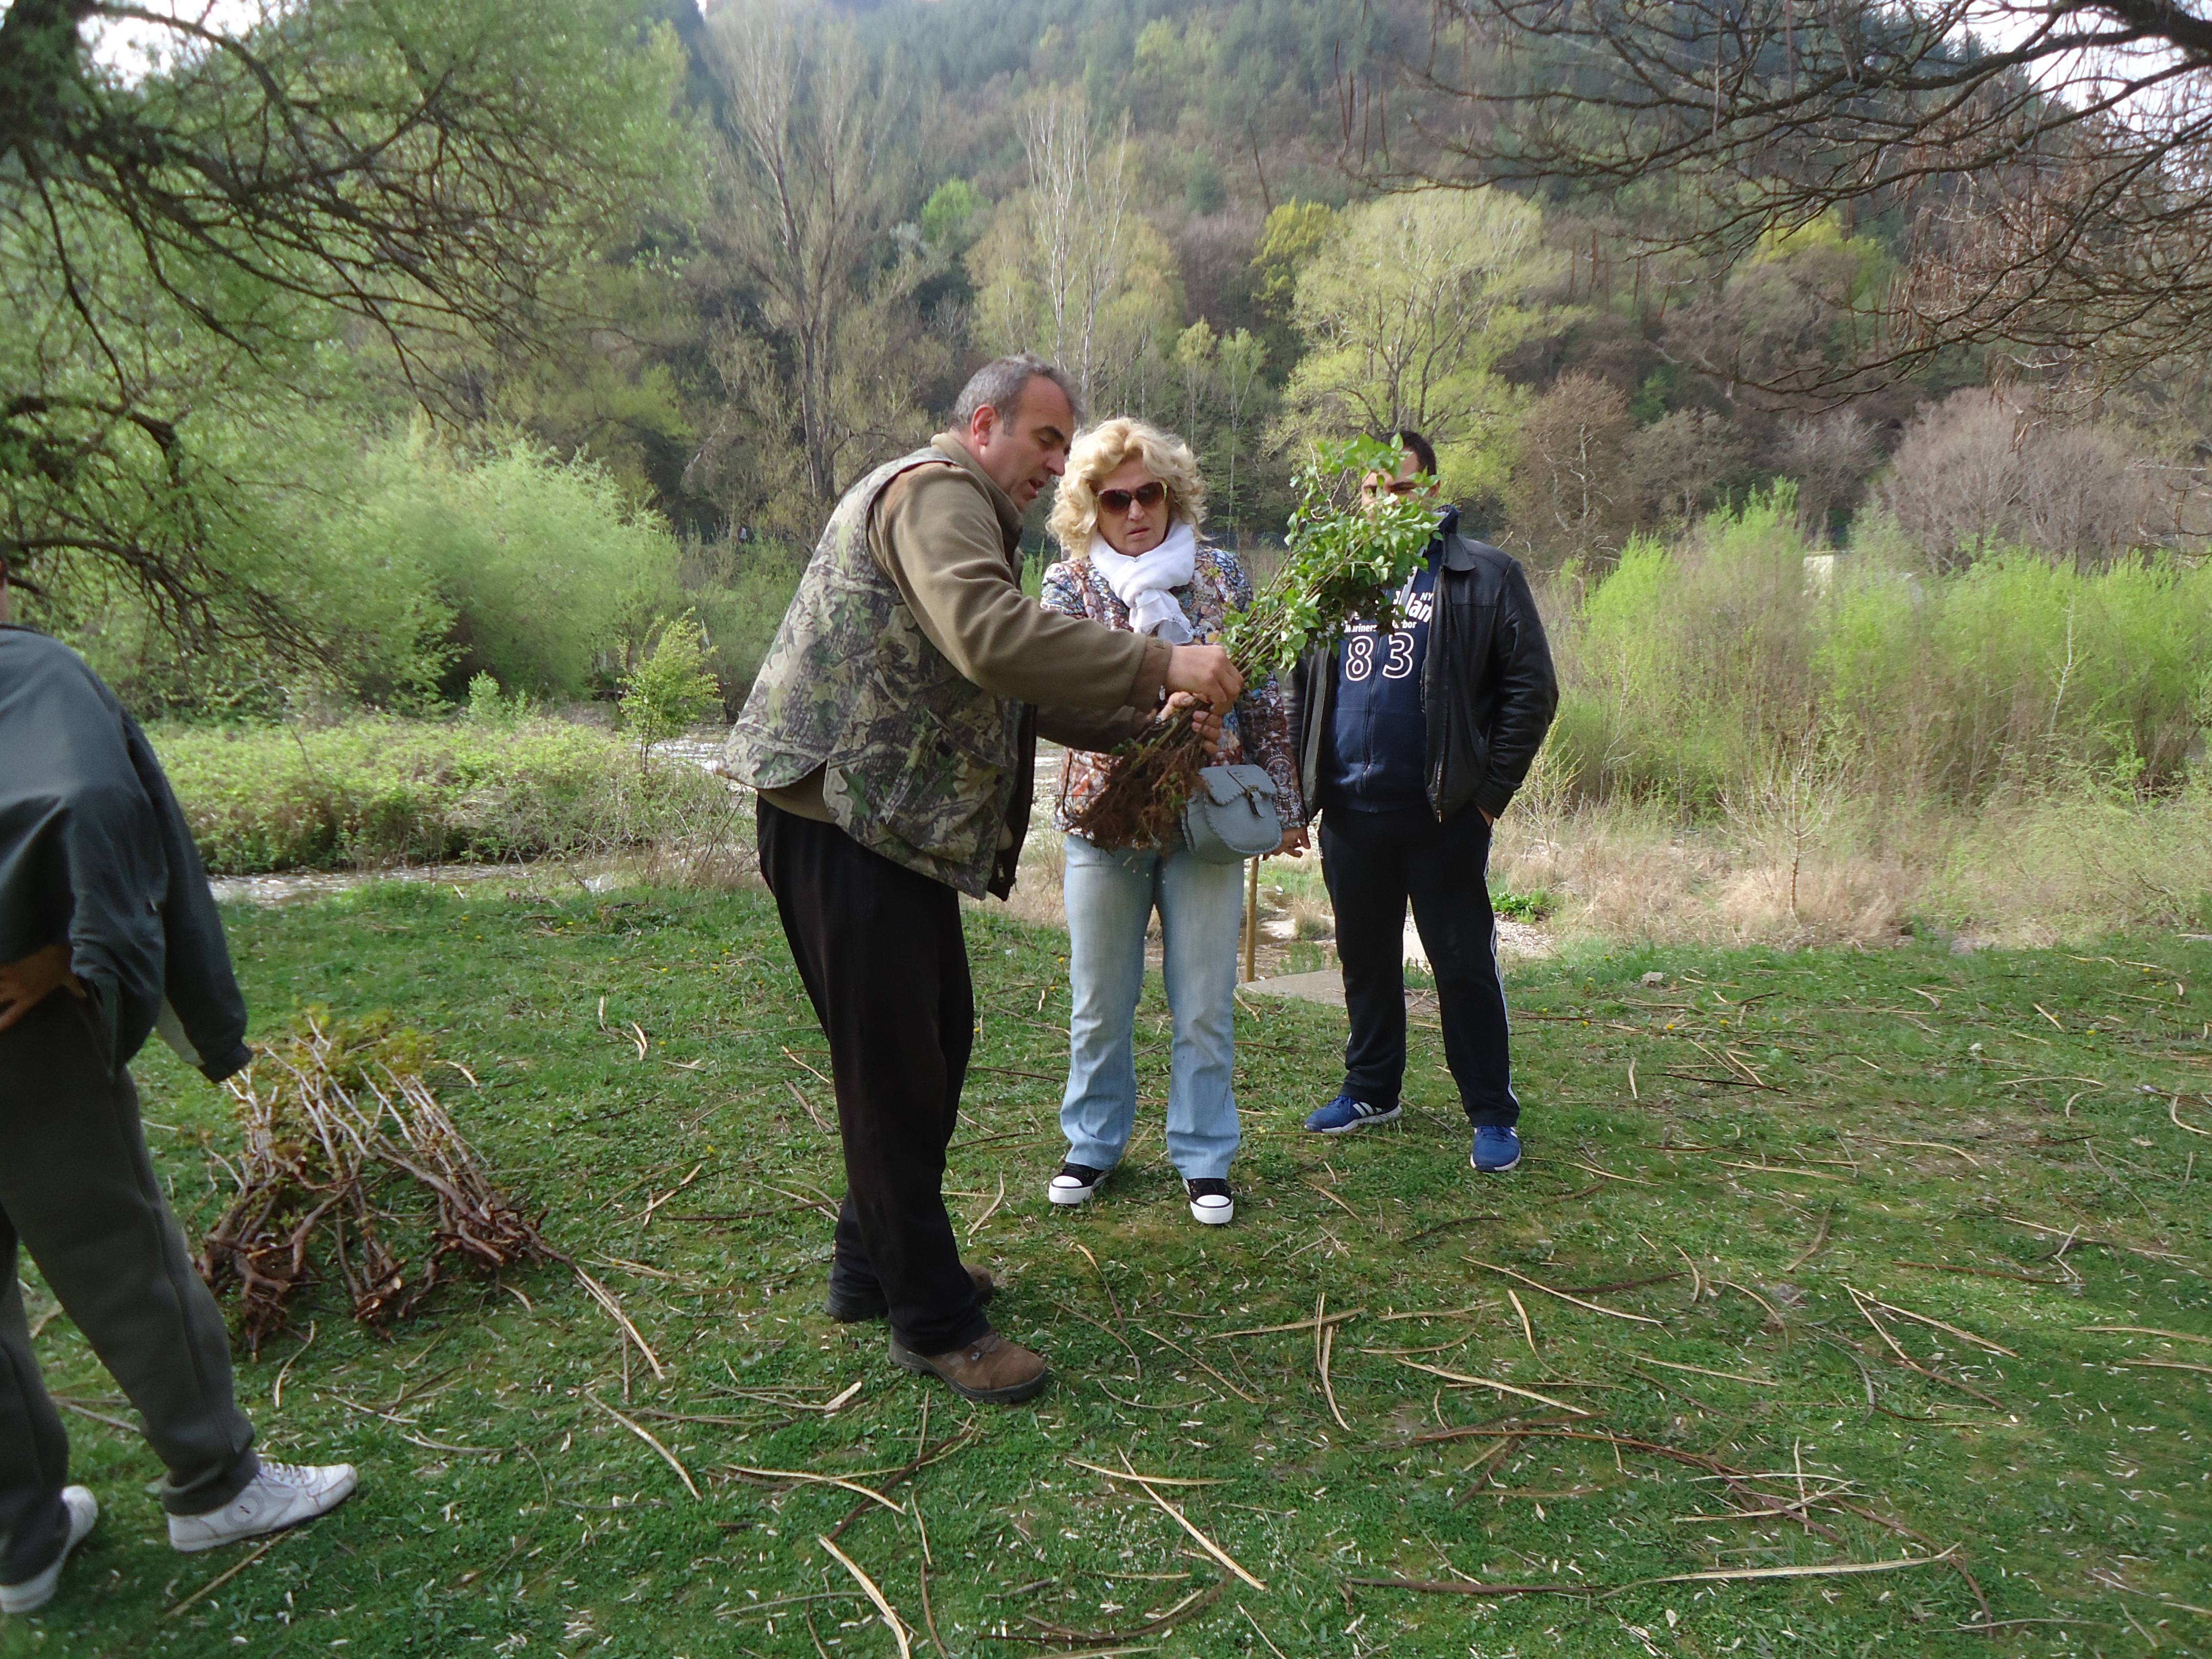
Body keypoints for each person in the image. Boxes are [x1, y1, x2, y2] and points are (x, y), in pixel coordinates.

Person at [721, 358, 1243, 1406]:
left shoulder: (958, 511)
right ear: (983, 422)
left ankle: (872, 1266)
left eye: (1066, 446)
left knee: (931, 1047)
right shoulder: (936, 492)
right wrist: (1160, 669)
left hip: (878, 829)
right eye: (1047, 441)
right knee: (894, 1072)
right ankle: (935, 1324)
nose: (1056, 464)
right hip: (846, 822)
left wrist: (1146, 722)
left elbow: (1001, 688)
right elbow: (993, 640)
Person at [0, 559, 357, 1618]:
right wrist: (71, 954)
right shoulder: (28, 670)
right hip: (20, 1032)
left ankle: (19, 1544)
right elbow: (94, 795)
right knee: (119, 1251)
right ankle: (216, 1486)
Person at [1038, 420, 1304, 1227]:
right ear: (1090, 508)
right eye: (1113, 498)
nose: (1135, 511)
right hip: (1105, 814)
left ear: (1172, 493)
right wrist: (1162, 703)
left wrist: (1286, 806)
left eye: (1147, 492)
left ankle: (1205, 1154)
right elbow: (1060, 693)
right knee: (1099, 999)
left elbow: (1263, 695)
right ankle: (1092, 1143)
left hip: (1211, 815)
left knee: (1204, 1001)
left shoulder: (1223, 575)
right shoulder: (1068, 586)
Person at [1287, 432, 1559, 1172]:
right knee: (1363, 959)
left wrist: (1490, 797)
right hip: (1350, 813)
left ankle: (1492, 1111)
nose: (1385, 505)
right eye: (1373, 492)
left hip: (1444, 815)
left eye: (1402, 491)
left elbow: (1531, 691)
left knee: (1462, 962)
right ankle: (1373, 1089)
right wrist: (1296, 796)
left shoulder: (1485, 576)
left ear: (1432, 493)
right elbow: (1300, 690)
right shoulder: (1335, 579)